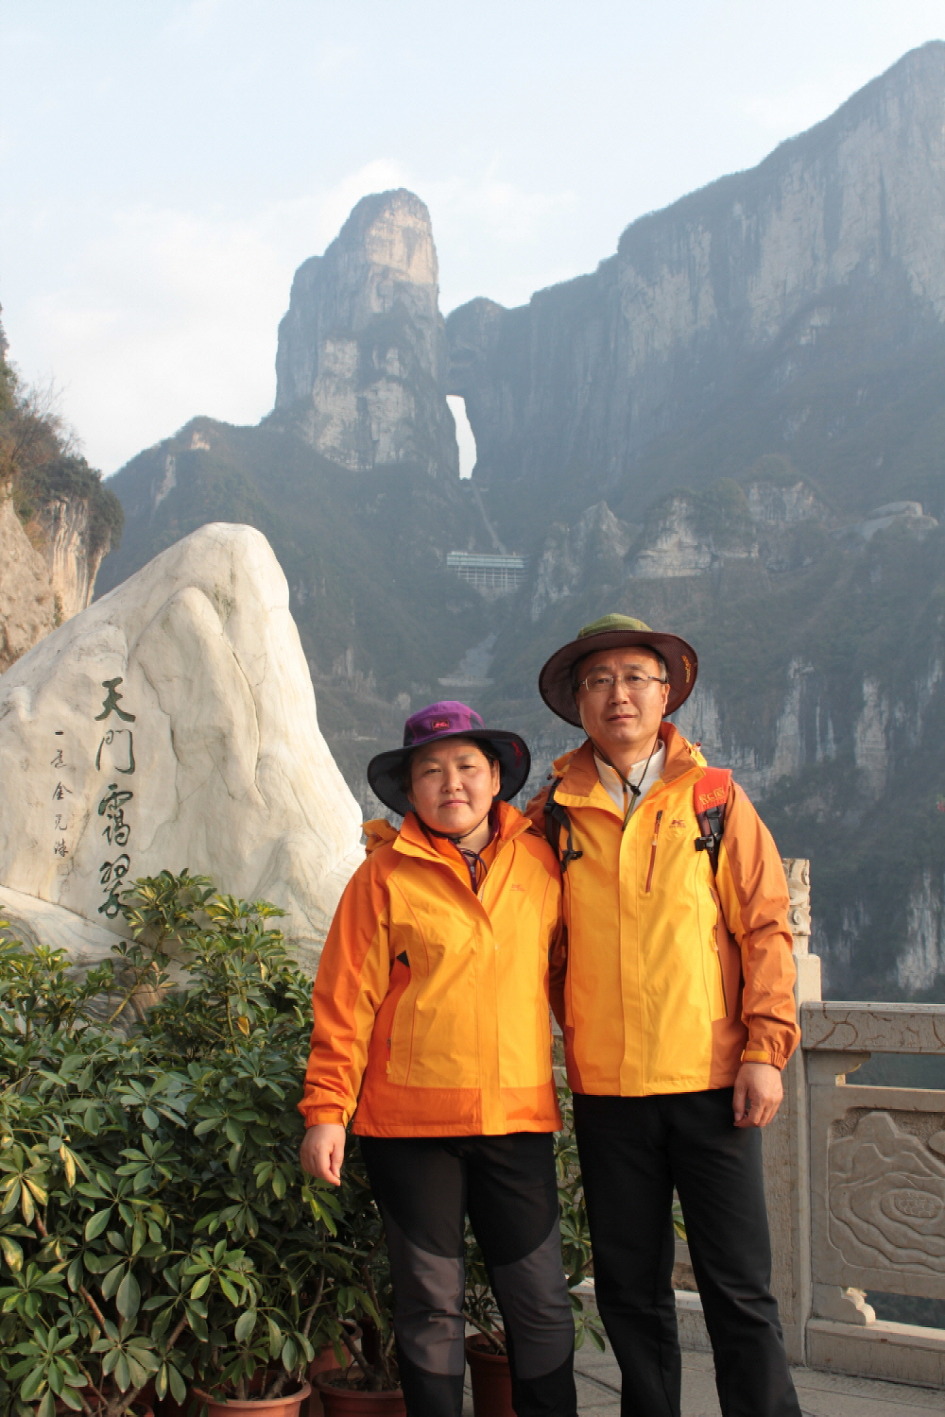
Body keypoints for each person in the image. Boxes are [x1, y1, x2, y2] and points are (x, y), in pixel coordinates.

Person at [529, 614, 803, 1417]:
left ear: (664, 693)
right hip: (609, 1090)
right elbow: (533, 941)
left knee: (737, 1285)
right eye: (598, 681)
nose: (617, 694)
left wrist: (764, 1051)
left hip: (711, 1080)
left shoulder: (713, 798)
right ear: (578, 702)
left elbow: (765, 927)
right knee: (629, 1289)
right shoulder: (552, 814)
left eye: (633, 678)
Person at [299, 701, 578, 1417]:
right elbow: (345, 999)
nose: (451, 783)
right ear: (409, 789)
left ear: (495, 778)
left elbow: (570, 979)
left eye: (466, 766)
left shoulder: (541, 863)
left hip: (516, 1119)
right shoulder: (383, 876)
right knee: (430, 1306)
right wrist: (326, 1111)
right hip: (410, 1126)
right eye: (431, 771)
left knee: (539, 1301)